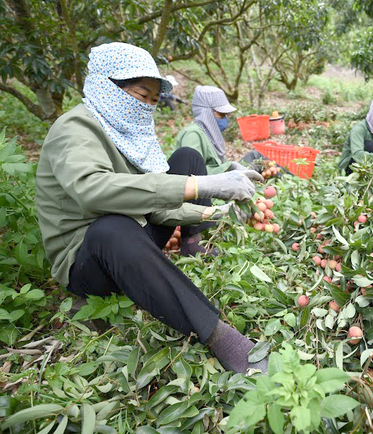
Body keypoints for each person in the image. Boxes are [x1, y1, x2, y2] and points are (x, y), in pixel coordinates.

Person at [35, 42, 267, 374]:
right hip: (88, 259)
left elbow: (153, 204)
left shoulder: (130, 131)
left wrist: (212, 212)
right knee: (112, 229)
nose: (147, 107)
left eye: (154, 101)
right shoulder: (73, 129)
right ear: (108, 86)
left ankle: (191, 244)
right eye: (141, 96)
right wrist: (205, 185)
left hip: (131, 239)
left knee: (185, 163)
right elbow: (93, 190)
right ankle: (222, 338)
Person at [176, 86, 267, 175]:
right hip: (211, 184)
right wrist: (229, 168)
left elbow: (219, 164)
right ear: (206, 113)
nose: (225, 119)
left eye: (226, 115)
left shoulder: (210, 134)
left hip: (221, 177)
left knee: (256, 156)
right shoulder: (193, 135)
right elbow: (194, 173)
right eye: (221, 114)